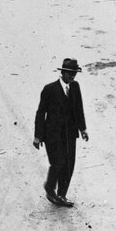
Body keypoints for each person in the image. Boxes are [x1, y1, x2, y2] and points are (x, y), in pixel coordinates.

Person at [33, 58, 89, 208]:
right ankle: (50, 188)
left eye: (74, 74)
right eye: (69, 73)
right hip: (53, 135)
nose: (72, 77)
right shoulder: (49, 89)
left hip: (70, 134)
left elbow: (79, 110)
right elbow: (40, 113)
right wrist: (38, 136)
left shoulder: (75, 87)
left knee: (69, 166)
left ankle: (61, 195)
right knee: (58, 163)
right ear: (62, 72)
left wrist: (83, 129)